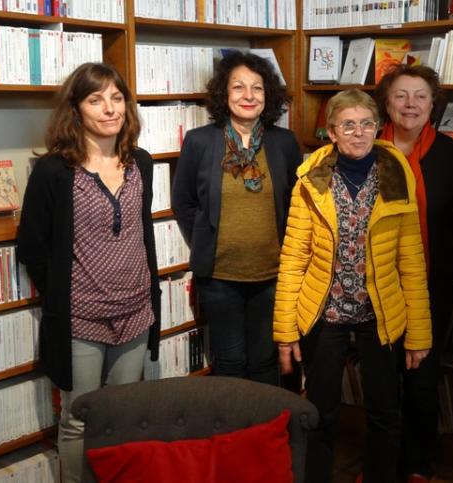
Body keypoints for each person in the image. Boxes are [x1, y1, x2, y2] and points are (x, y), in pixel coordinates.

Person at [273, 89, 432, 483]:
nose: (358, 133)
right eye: (348, 125)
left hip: (379, 315)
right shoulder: (310, 180)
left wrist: (419, 334)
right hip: (323, 314)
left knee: (384, 412)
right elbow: (294, 258)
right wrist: (285, 331)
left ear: (377, 128)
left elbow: (411, 261)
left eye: (366, 124)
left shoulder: (396, 174)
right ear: (331, 132)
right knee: (320, 412)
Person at [16, 63, 161, 483]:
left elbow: (140, 232)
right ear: (75, 109)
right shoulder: (54, 172)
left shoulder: (142, 163)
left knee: (121, 418)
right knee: (79, 419)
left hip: (136, 313)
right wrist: (68, 293)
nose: (109, 108)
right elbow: (33, 248)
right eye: (95, 99)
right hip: (80, 321)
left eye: (116, 98)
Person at [172, 51, 301, 386]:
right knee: (230, 362)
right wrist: (204, 237)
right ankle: (235, 436)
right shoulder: (200, 141)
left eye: (257, 88)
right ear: (224, 94)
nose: (248, 96)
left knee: (264, 361)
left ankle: (263, 435)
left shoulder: (283, 142)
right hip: (219, 276)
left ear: (267, 95)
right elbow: (183, 201)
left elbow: (294, 203)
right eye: (238, 87)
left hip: (273, 275)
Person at [374, 64, 453, 483]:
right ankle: (384, 466)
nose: (410, 104)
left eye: (420, 96)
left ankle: (417, 466)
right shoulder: (365, 149)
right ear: (387, 103)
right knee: (381, 379)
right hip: (373, 286)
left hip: (431, 286)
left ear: (434, 105)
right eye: (401, 95)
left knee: (420, 380)